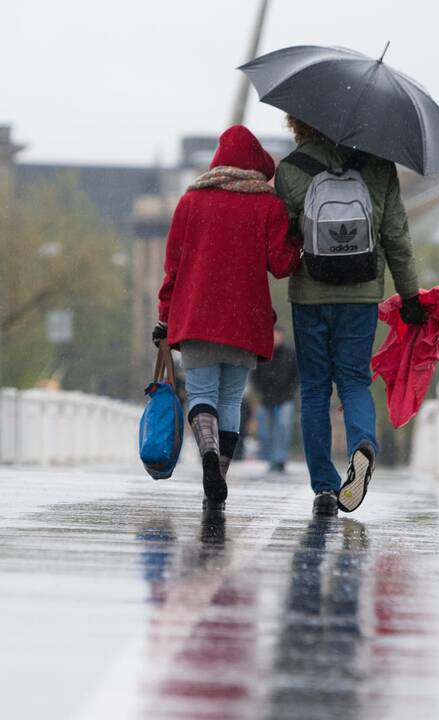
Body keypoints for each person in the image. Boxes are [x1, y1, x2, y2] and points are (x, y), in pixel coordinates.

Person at [275, 116, 426, 516]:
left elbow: (282, 239)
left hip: (310, 294)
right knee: (355, 381)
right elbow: (397, 238)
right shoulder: (379, 167)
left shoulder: (291, 169)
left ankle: (324, 487)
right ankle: (363, 444)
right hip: (362, 294)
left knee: (314, 389)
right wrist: (410, 296)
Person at [154, 125, 300, 507]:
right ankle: (218, 472)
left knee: (201, 394)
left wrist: (165, 315)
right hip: (244, 319)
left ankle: (205, 452)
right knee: (231, 399)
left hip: (196, 315)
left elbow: (173, 266)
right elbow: (283, 265)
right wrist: (295, 233)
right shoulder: (267, 205)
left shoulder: (190, 202)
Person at [251, 325, 297, 473]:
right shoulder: (262, 353)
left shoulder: (290, 354)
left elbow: (296, 376)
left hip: (285, 398)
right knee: (265, 430)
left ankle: (280, 459)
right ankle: (271, 458)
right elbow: (255, 374)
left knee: (283, 427)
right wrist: (260, 391)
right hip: (266, 399)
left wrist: (290, 391)